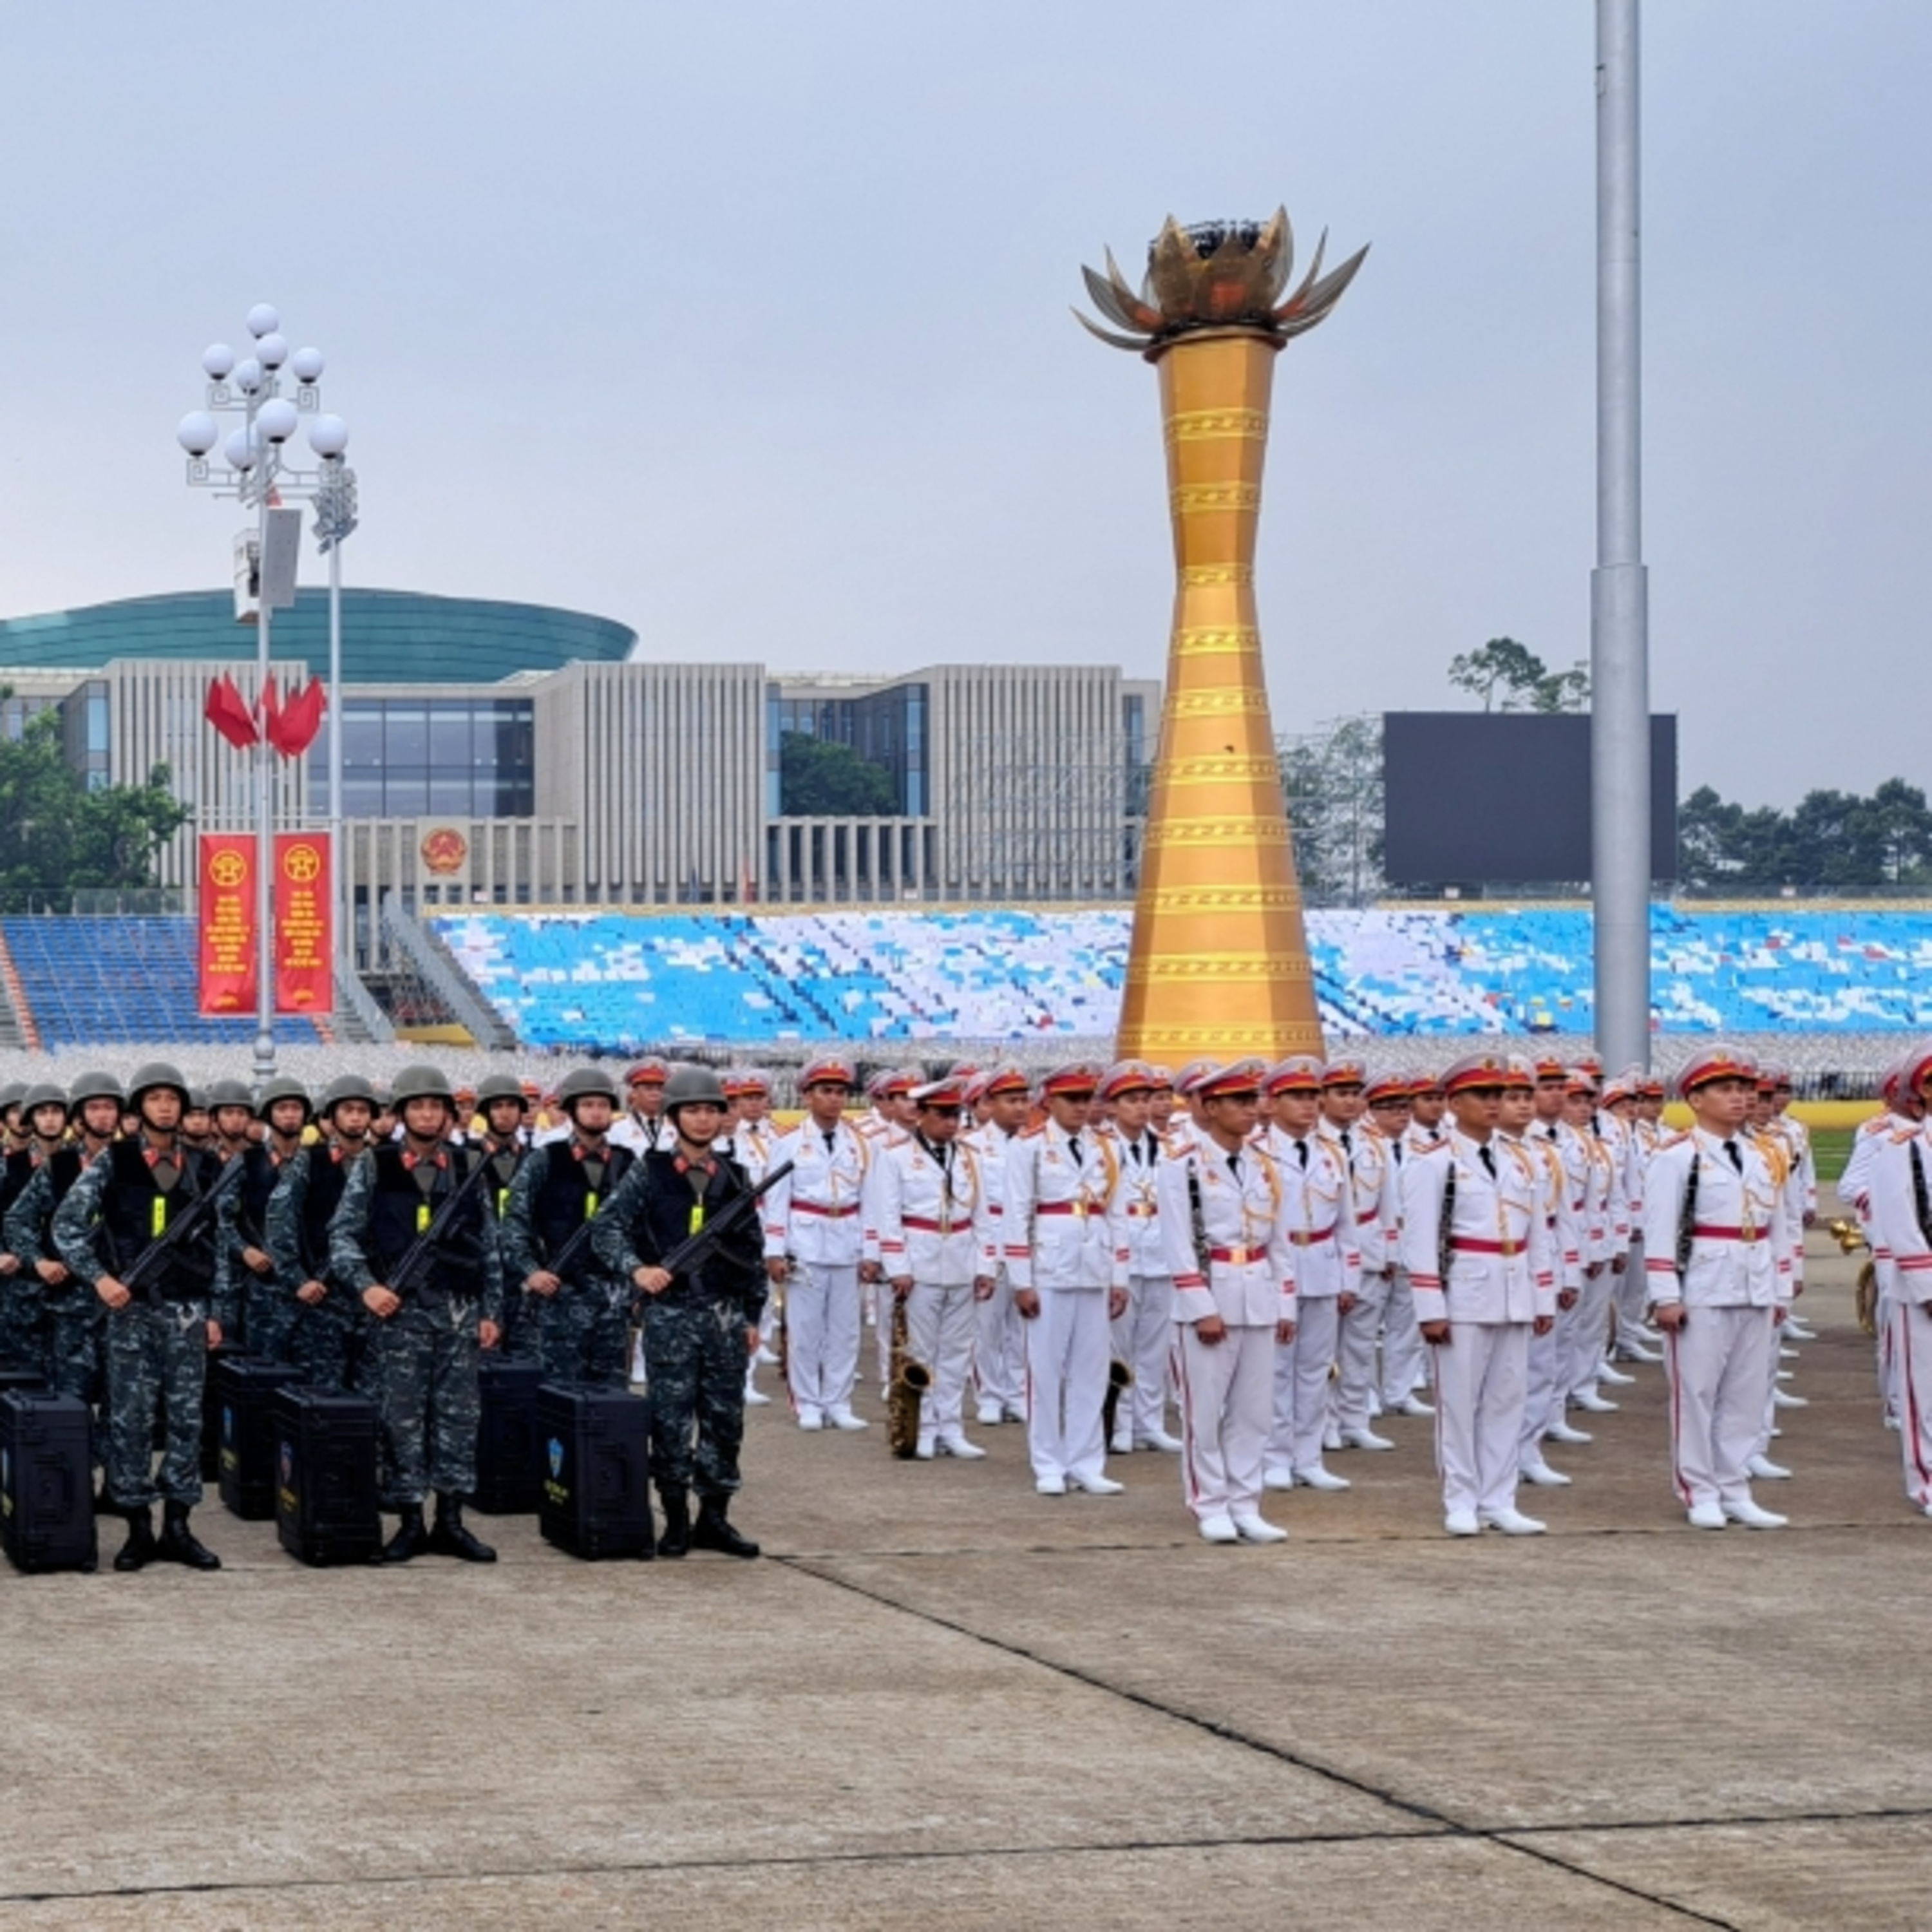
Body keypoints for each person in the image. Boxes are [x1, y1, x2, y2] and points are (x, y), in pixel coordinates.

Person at [53, 1061, 232, 1573]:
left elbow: (220, 1245)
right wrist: (100, 1278)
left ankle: (178, 1525)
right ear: (140, 1109)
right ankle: (138, 1527)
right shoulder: (114, 1162)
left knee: (185, 1420)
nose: (165, 1107)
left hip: (188, 1312)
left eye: (172, 1099)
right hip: (131, 1312)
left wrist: (216, 1311)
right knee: (130, 1421)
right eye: (154, 1099)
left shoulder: (206, 1167)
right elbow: (67, 1227)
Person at [328, 1063, 503, 1564]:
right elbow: (342, 1236)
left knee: (458, 1417)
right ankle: (409, 1519)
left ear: (450, 1115)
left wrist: (491, 1311)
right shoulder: (375, 1165)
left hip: (458, 1311)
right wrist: (366, 1289)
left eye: (437, 1107)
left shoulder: (469, 1167)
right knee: (400, 1417)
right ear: (403, 1114)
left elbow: (489, 1246)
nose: (428, 1114)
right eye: (418, 1106)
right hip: (399, 1314)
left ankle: (450, 1520)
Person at [592, 1064, 766, 1558]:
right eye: (693, 1110)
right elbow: (606, 1231)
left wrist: (752, 1316)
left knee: (724, 1420)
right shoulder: (647, 1173)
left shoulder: (735, 1176)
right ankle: (675, 1520)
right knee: (670, 1420)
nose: (704, 1120)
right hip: (672, 1315)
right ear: (673, 1117)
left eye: (712, 1110)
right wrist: (637, 1270)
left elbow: (751, 1251)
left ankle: (715, 1517)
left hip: (725, 1314)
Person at [1399, 1052, 1557, 1537]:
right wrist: (1430, 1305)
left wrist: (1542, 1296)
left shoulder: (1521, 1158)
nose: (1494, 1104)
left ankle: (1499, 1498)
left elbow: (1539, 1235)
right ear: (1454, 1102)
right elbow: (1421, 1239)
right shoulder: (1434, 1162)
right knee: (1459, 1404)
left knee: (1508, 1400)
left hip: (1512, 1288)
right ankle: (1461, 1499)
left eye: (1499, 1095)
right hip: (1463, 1291)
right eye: (1483, 1096)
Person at [1640, 1046, 1793, 1530]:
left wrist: (1782, 1288)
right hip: (1702, 1284)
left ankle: (1734, 1485)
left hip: (1754, 1281)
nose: (1740, 1098)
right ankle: (1698, 1489)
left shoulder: (1764, 1154)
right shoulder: (1677, 1156)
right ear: (1696, 1099)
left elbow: (1780, 1225)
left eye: (1744, 1089)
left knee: (1747, 1394)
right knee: (1697, 1393)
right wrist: (1665, 1293)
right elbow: (1660, 1227)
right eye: (1725, 1089)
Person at [1157, 1059, 1296, 1544]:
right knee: (1204, 1411)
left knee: (1254, 1411)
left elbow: (1280, 1242)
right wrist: (1202, 1307)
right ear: (1210, 1107)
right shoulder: (1181, 1164)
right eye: (1239, 1102)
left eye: (1252, 1100)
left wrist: (1286, 1304)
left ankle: (1245, 1501)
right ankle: (1209, 1502)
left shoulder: (1267, 1165)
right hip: (1211, 1291)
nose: (1251, 1111)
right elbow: (1177, 1241)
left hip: (1257, 1290)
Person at [1002, 1062, 1130, 1497]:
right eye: (1071, 1099)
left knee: (1091, 1371)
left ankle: (1086, 1461)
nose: (1081, 1107)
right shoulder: (1030, 1146)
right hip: (1049, 1267)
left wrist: (1120, 1277)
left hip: (1093, 1266)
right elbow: (1016, 1214)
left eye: (1086, 1098)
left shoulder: (1108, 1147)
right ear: (1050, 1102)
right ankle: (1048, 1461)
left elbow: (1119, 1216)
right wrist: (1021, 1279)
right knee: (1045, 1370)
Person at [869, 1076, 997, 1459]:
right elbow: (887, 1216)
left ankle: (950, 1427)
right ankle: (921, 1428)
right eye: (942, 1115)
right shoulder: (894, 1157)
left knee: (957, 1350)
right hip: (920, 1258)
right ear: (921, 1115)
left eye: (955, 1115)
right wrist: (898, 1267)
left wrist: (986, 1266)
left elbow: (983, 1216)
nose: (952, 1123)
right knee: (920, 1351)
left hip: (961, 1258)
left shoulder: (971, 1157)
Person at [1259, 1057, 1359, 1493]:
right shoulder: (1257, 1151)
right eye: (1296, 1097)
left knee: (1316, 1369)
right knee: (1276, 1368)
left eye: (1312, 1096)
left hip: (1321, 1263)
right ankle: (1275, 1456)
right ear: (1274, 1102)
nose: (1307, 1105)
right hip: (1276, 1266)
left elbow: (1347, 1224)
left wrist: (1348, 1278)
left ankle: (1309, 1455)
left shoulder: (1333, 1153)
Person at [502, 1066, 636, 1387]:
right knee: (558, 1396)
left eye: (603, 1105)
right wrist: (531, 1270)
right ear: (572, 1110)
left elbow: (646, 1227)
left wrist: (635, 1275)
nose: (596, 1112)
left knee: (610, 1398)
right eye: (588, 1104)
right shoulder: (546, 1159)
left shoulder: (628, 1162)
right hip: (559, 1296)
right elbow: (513, 1221)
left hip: (612, 1298)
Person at [761, 1056, 871, 1431]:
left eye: (841, 1092)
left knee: (845, 1330)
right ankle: (807, 1401)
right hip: (805, 1241)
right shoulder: (789, 1144)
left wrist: (871, 1252)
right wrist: (774, 1251)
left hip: (848, 1239)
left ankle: (838, 1400)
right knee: (805, 1329)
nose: (835, 1099)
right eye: (825, 1091)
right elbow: (776, 1201)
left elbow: (871, 1200)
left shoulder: (860, 1143)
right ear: (807, 1096)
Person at [265, 1074, 381, 1392]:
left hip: (374, 1295)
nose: (356, 1118)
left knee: (373, 1394)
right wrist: (297, 1279)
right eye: (348, 1110)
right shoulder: (309, 1161)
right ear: (332, 1117)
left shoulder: (385, 1162)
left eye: (362, 1110)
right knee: (323, 1394)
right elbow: (279, 1220)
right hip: (324, 1294)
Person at [1862, 1041, 1932, 1518]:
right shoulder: (1902, 1150)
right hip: (1924, 1287)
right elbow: (1902, 1222)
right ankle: (1925, 1480)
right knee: (1924, 1387)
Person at [1097, 1061, 1181, 1453]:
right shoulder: (1099, 1147)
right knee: (1118, 1346)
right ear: (1112, 1106)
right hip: (1121, 1252)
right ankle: (1120, 1423)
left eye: (1147, 1099)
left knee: (1154, 1344)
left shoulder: (1169, 1147)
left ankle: (1149, 1422)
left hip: (1160, 1253)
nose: (1143, 1108)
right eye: (1132, 1100)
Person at [965, 1065, 1032, 1428]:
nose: (1021, 1108)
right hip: (989, 1240)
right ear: (990, 1103)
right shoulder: (971, 1146)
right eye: (1011, 1101)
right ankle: (989, 1393)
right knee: (987, 1325)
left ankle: (1017, 1392)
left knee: (1022, 1325)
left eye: (1024, 1100)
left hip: (1025, 1242)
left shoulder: (1036, 1143)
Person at [0, 1081, 69, 1374]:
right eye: (42, 1112)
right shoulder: (11, 1164)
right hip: (17, 1279)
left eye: (56, 1112)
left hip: (68, 1281)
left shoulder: (77, 1162)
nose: (50, 1119)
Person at [610, 1057, 675, 1156]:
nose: (656, 1094)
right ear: (634, 1093)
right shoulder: (617, 1127)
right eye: (649, 1089)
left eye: (660, 1089)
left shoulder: (675, 1127)